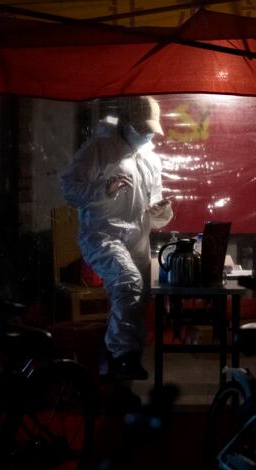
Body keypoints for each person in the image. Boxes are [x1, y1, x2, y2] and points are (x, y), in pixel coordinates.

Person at [61, 96, 173, 380]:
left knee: (135, 301)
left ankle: (116, 378)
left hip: (137, 239)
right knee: (128, 282)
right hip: (102, 235)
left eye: (150, 129)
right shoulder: (99, 149)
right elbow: (69, 189)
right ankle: (123, 356)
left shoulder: (150, 158)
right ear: (127, 123)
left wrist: (161, 211)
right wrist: (104, 190)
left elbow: (153, 206)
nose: (146, 134)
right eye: (142, 128)